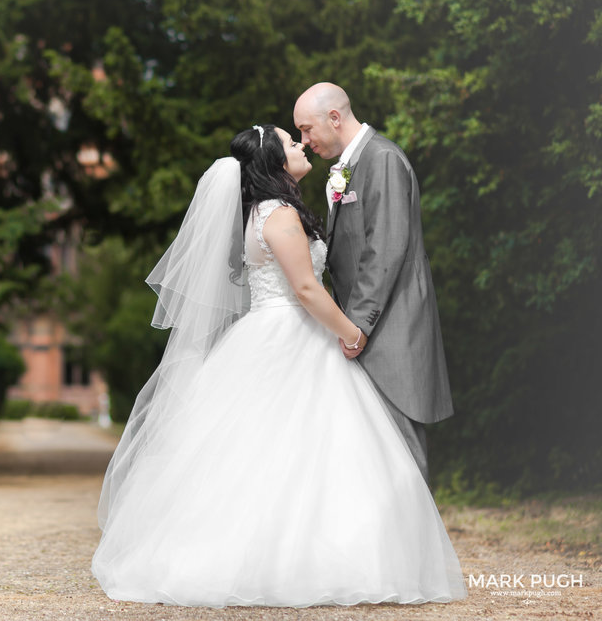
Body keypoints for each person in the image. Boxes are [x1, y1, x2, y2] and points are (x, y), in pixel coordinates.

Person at [91, 124, 467, 608]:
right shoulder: (281, 216)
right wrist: (351, 333)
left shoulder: (260, 213)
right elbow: (307, 290)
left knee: (270, 451)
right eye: (292, 143)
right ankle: (293, 563)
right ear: (274, 162)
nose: (301, 146)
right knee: (296, 449)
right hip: (290, 333)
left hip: (273, 332)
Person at [293, 82, 454, 481]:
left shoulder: (381, 159)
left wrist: (356, 328)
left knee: (401, 456)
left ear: (334, 117)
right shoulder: (353, 165)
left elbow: (385, 248)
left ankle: (415, 543)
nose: (304, 140)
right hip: (368, 329)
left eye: (307, 129)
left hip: (391, 328)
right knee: (375, 456)